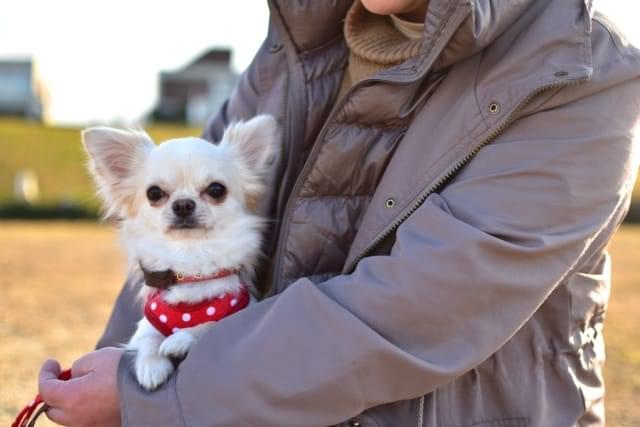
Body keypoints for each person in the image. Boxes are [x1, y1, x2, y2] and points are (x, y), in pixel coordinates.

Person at [37, 0, 640, 425]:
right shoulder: (297, 43)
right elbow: (169, 248)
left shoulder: (580, 68)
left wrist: (146, 403)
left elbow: (416, 309)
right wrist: (115, 374)